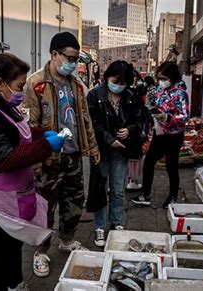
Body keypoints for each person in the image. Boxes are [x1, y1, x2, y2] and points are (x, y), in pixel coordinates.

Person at [0, 49, 64, 290]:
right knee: (3, 255)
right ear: (0, 83)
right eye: (19, 86)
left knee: (13, 248)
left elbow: (19, 134)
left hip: (15, 193)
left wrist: (42, 134)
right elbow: (6, 158)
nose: (21, 92)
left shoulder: (2, 106)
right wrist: (45, 146)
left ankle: (16, 284)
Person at [21, 32, 100, 277]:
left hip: (73, 156)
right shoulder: (35, 84)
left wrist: (93, 148)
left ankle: (66, 240)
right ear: (54, 55)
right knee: (45, 208)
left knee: (74, 202)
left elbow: (84, 119)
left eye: (76, 59)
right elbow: (28, 126)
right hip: (47, 159)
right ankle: (40, 251)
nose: (74, 63)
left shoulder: (77, 85)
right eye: (70, 58)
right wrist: (33, 160)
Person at [86, 60, 143, 247]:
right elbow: (93, 123)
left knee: (118, 189)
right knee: (100, 189)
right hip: (102, 150)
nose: (118, 86)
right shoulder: (95, 95)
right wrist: (109, 139)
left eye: (123, 82)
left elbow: (140, 120)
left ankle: (117, 222)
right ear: (107, 76)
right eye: (115, 80)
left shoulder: (131, 96)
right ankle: (100, 226)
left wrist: (130, 130)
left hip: (122, 151)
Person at [131, 62, 189, 208]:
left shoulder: (181, 93)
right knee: (149, 161)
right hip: (159, 132)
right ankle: (145, 194)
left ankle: (173, 196)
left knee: (171, 165)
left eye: (163, 78)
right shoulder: (160, 90)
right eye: (159, 78)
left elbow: (185, 116)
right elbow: (155, 105)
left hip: (174, 135)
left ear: (172, 77)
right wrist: (153, 113)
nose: (160, 81)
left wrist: (168, 117)